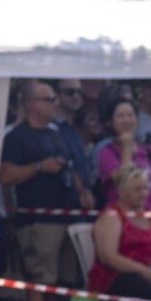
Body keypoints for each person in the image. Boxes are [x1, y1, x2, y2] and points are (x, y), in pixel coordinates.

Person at [0, 81, 84, 301]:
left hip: (66, 217)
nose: (55, 104)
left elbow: (70, 166)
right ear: (31, 104)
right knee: (41, 278)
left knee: (67, 278)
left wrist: (82, 191)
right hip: (38, 221)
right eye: (49, 99)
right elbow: (5, 176)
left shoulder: (57, 135)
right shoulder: (17, 137)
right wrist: (39, 167)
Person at [88, 165, 151, 300]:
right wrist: (146, 272)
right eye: (137, 189)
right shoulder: (112, 216)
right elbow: (109, 257)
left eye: (145, 188)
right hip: (121, 276)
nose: (144, 193)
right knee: (136, 283)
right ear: (122, 192)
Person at [94, 96, 151, 208]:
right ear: (110, 122)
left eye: (130, 115)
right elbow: (125, 183)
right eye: (120, 116)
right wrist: (126, 148)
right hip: (122, 216)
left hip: (150, 214)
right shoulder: (106, 152)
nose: (126, 120)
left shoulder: (147, 150)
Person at [51, 79, 98, 207]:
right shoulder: (51, 129)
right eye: (70, 92)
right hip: (59, 204)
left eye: (79, 92)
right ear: (57, 95)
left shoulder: (74, 130)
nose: (76, 96)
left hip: (79, 206)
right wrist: (82, 190)